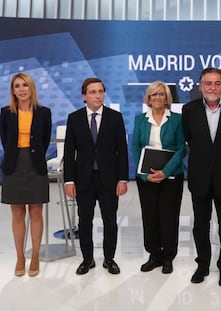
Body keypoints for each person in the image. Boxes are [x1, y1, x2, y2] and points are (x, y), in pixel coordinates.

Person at [182, 67, 221, 287]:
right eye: (208, 83)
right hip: (199, 177)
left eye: (217, 83)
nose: (213, 88)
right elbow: (189, 139)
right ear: (200, 86)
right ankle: (203, 265)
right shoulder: (189, 110)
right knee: (200, 224)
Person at [64, 77, 129, 275]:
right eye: (93, 92)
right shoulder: (74, 118)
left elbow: (122, 151)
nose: (98, 95)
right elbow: (69, 152)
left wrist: (123, 178)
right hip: (83, 180)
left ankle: (109, 259)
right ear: (84, 96)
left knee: (110, 220)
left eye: (100, 91)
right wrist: (69, 180)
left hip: (109, 179)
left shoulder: (115, 117)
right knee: (84, 221)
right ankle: (87, 259)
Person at [131, 81, 186, 274]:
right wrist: (144, 175)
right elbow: (136, 147)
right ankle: (154, 255)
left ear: (167, 98)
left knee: (169, 216)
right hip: (146, 178)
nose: (157, 98)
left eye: (161, 94)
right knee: (150, 216)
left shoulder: (177, 119)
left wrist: (166, 171)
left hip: (171, 177)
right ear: (148, 98)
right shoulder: (140, 119)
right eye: (154, 95)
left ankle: (168, 257)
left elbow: (182, 148)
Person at [0, 73, 52, 277]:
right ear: (13, 90)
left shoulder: (44, 112)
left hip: (35, 165)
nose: (21, 89)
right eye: (17, 86)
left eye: (25, 85)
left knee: (36, 212)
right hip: (14, 165)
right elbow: (5, 139)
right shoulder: (5, 113)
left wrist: (33, 153)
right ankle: (20, 256)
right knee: (17, 212)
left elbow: (45, 140)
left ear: (31, 88)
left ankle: (36, 255)